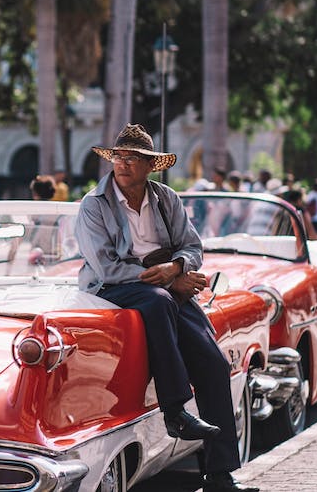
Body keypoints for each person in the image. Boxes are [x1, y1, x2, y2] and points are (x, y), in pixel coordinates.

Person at [75, 124, 258, 492]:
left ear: (150, 166)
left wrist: (177, 268)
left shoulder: (165, 198)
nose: (123, 164)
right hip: (115, 287)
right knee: (157, 301)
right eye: (119, 157)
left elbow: (193, 247)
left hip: (166, 285)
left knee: (214, 364)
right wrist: (171, 282)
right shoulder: (93, 205)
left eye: (133, 158)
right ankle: (175, 411)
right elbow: (107, 266)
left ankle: (220, 476)